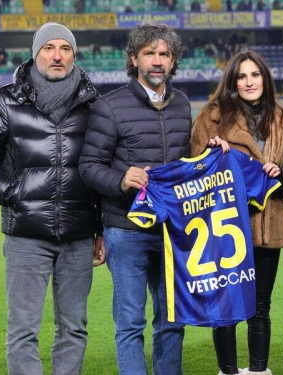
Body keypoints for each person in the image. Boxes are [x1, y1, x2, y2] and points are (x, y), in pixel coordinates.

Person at [78, 22, 222, 375]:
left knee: (172, 319)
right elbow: (88, 165)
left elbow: (185, 162)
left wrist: (210, 151)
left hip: (173, 229)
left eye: (164, 54)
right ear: (134, 59)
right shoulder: (109, 106)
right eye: (149, 54)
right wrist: (121, 179)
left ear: (173, 62)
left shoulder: (182, 103)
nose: (157, 61)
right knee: (130, 322)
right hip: (125, 229)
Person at [0, 22, 103, 375]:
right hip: (26, 235)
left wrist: (99, 229)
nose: (57, 56)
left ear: (74, 54)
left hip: (78, 234)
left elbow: (102, 168)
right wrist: (13, 194)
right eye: (48, 48)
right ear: (35, 52)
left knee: (74, 328)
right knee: (23, 331)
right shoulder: (6, 99)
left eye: (65, 48)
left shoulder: (94, 103)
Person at [191, 50, 283, 375]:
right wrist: (209, 154)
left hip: (269, 224)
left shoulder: (280, 117)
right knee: (227, 305)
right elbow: (195, 170)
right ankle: (228, 371)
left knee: (261, 308)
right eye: (242, 76)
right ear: (232, 81)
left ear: (265, 78)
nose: (249, 82)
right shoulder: (211, 116)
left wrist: (280, 174)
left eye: (255, 75)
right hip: (227, 228)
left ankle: (259, 370)